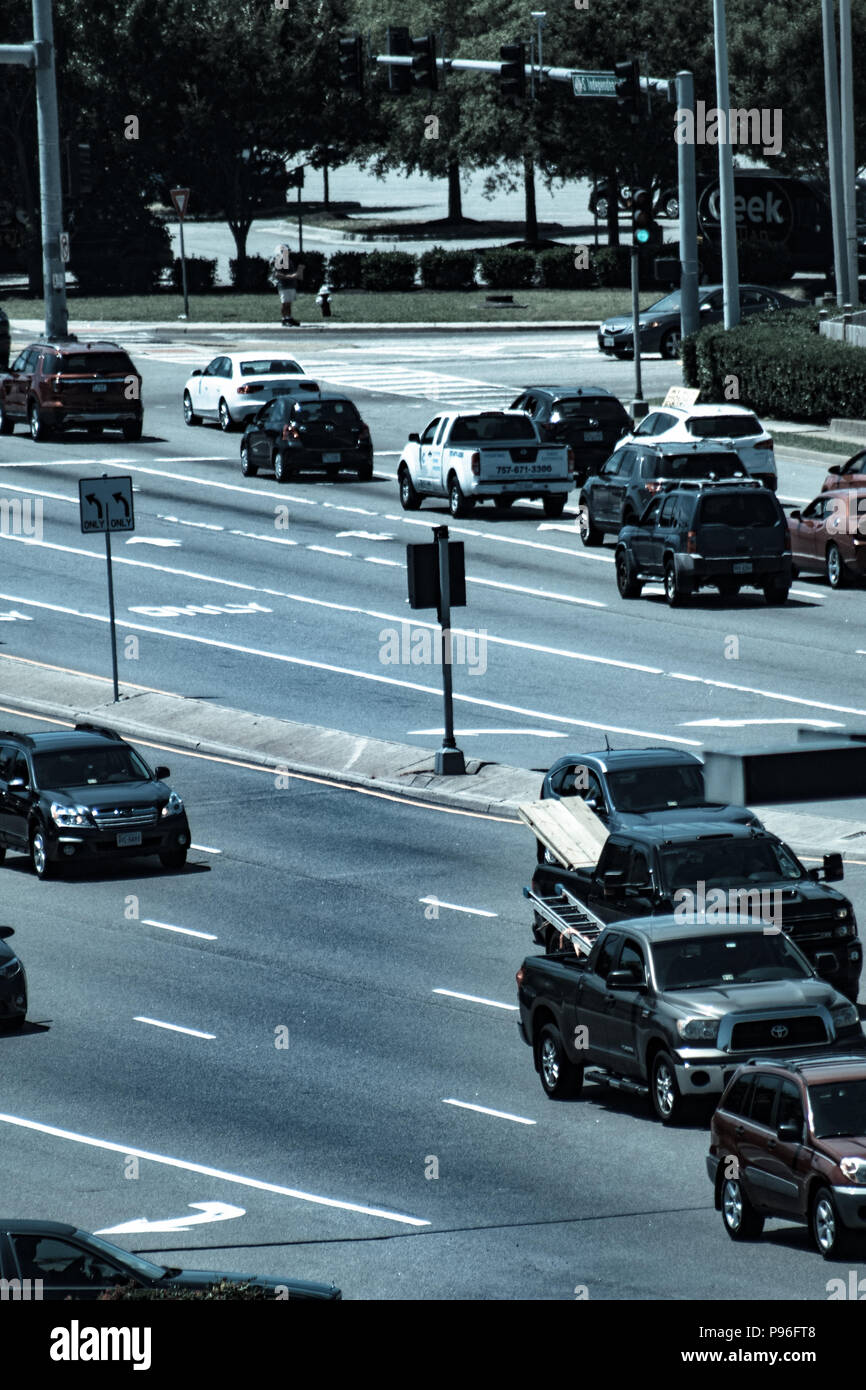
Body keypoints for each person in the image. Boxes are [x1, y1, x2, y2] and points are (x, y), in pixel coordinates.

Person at [272, 243, 304, 326]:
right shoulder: (280, 259)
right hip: (284, 285)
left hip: (290, 285)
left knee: (289, 303)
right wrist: (290, 276)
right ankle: (284, 319)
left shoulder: (288, 260)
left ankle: (288, 318)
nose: (289, 252)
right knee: (285, 303)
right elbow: (277, 274)